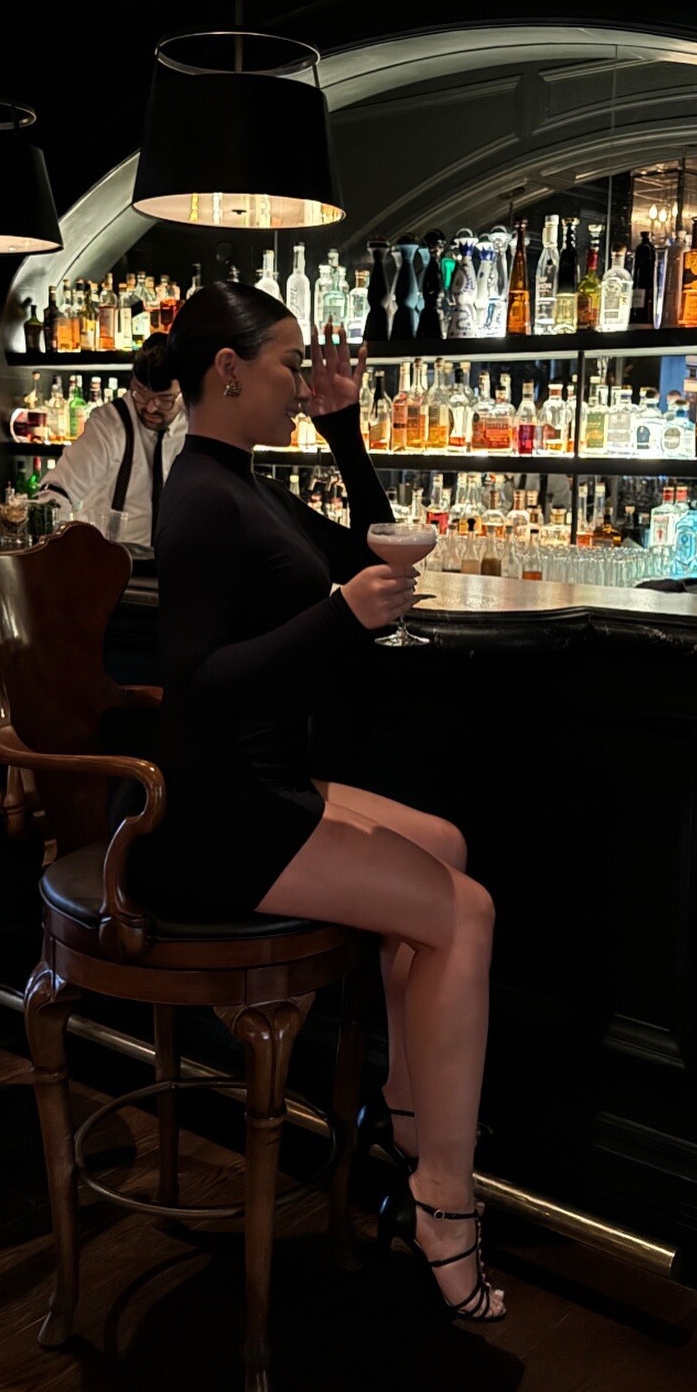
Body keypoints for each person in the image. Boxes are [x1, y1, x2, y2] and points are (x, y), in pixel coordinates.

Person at [132, 282, 504, 1322]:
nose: (303, 383)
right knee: (466, 911)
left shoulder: (242, 481)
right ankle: (443, 1200)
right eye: (293, 368)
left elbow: (365, 553)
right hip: (218, 811)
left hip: (267, 781)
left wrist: (344, 433)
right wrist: (337, 620)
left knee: (448, 844)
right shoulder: (199, 496)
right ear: (228, 370)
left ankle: (407, 1115)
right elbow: (194, 687)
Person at [37, 333, 186, 573]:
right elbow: (55, 493)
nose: (150, 407)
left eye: (164, 399)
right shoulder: (108, 425)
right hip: (109, 570)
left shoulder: (198, 425)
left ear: (185, 391)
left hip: (179, 570)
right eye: (140, 394)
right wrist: (69, 550)